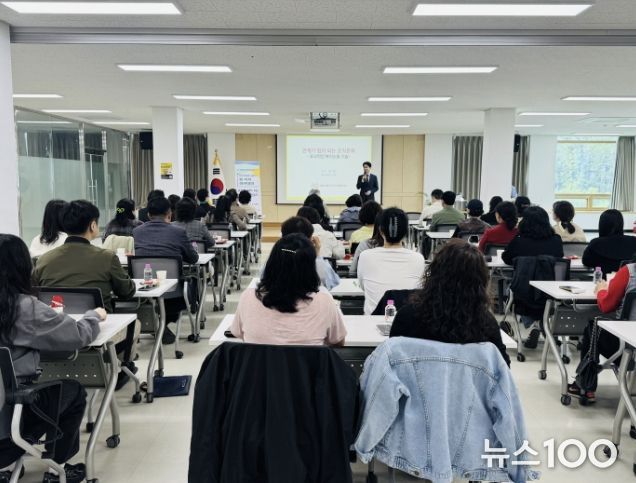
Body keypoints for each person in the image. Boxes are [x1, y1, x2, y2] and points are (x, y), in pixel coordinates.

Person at [0, 234, 105, 483]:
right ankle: (57, 468)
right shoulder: (23, 308)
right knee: (72, 391)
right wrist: (93, 316)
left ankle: (10, 468)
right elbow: (78, 335)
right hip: (8, 433)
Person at [33, 200, 138, 387]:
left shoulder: (44, 260)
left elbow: (34, 295)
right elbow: (127, 292)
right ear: (92, 225)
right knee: (135, 325)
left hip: (55, 329)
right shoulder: (106, 257)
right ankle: (120, 369)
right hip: (97, 328)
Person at [390, 239, 510, 366]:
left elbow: (390, 360)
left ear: (434, 273)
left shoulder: (407, 316)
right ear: (481, 282)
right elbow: (503, 367)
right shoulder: (486, 324)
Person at [231, 234, 347, 346]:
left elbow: (239, 334)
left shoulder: (248, 297)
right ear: (311, 267)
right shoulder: (324, 301)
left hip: (258, 360)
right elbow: (338, 341)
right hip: (307, 361)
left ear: (271, 263)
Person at [568, 257, 636, 403]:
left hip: (626, 348)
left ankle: (586, 386)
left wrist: (601, 290)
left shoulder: (629, 272)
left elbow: (606, 305)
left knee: (593, 327)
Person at [133, 196, 199, 344]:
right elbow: (193, 259)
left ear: (148, 214)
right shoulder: (178, 232)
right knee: (192, 282)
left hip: (145, 288)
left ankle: (158, 324)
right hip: (173, 293)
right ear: (169, 213)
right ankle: (162, 325)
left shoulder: (137, 232)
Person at [502, 206, 564, 348]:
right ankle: (539, 324)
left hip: (523, 294)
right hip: (550, 294)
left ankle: (534, 325)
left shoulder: (519, 241)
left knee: (509, 289)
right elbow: (559, 258)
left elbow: (507, 258)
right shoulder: (556, 240)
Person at [357, 208, 425, 315]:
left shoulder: (365, 256)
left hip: (373, 321)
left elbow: (363, 286)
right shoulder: (418, 259)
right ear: (406, 232)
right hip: (407, 320)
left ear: (380, 231)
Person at [280, 216, 341, 290]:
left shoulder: (275, 261)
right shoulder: (317, 264)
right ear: (309, 239)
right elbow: (333, 283)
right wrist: (317, 253)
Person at [583, 209, 636, 275]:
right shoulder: (634, 241)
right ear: (621, 224)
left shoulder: (595, 243)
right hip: (629, 281)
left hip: (601, 280)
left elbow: (586, 261)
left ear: (602, 225)